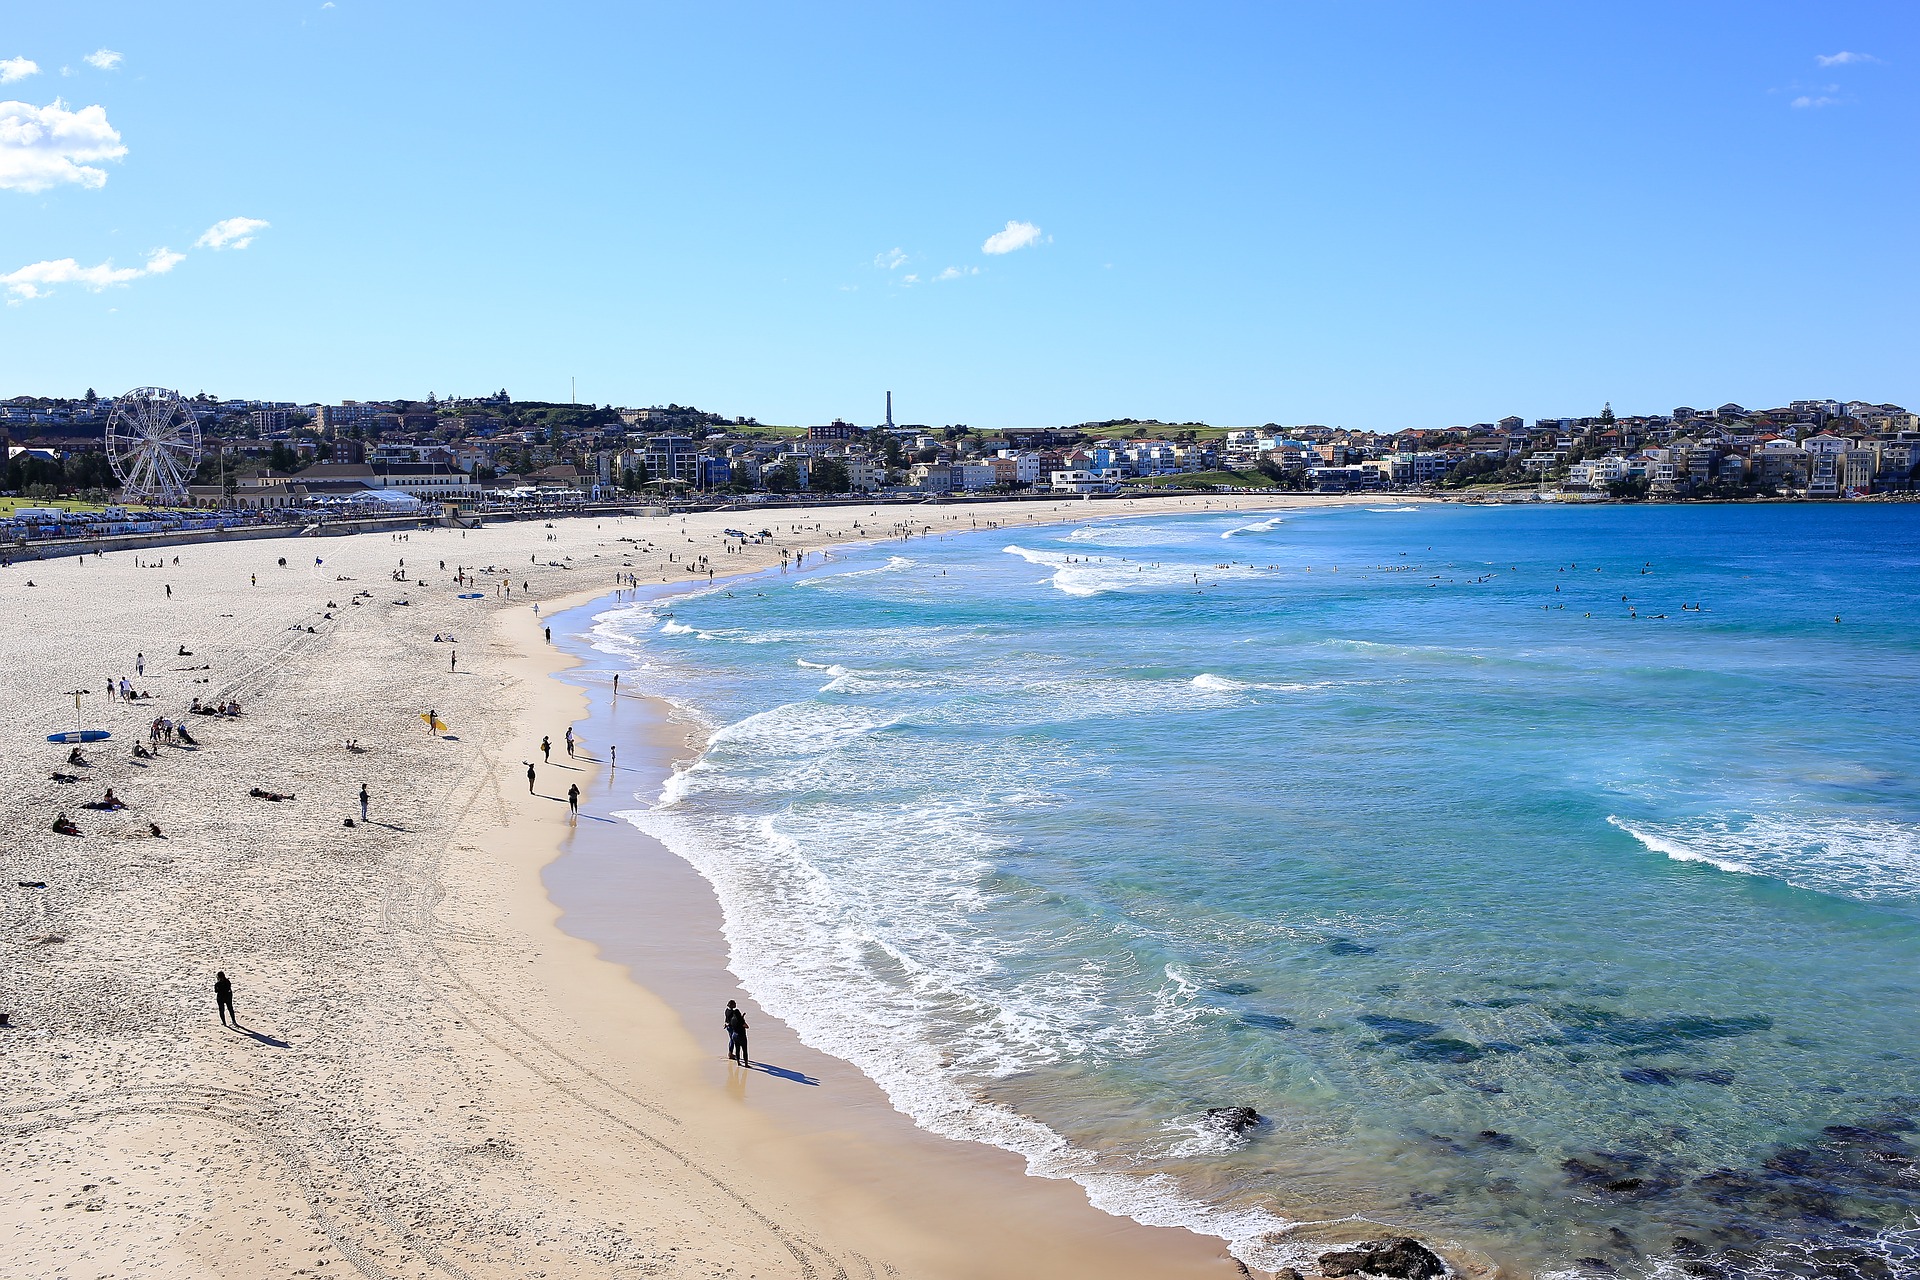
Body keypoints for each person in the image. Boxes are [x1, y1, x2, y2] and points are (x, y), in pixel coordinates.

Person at [725, 1000, 750, 1066]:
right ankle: (731, 1054)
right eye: (734, 1004)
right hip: (734, 1030)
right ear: (732, 1005)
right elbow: (742, 1023)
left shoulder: (727, 1011)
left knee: (736, 1047)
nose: (735, 1005)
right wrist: (742, 1020)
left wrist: (742, 1017)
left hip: (730, 1027)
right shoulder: (733, 1012)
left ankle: (737, 1060)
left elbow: (733, 1019)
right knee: (743, 1049)